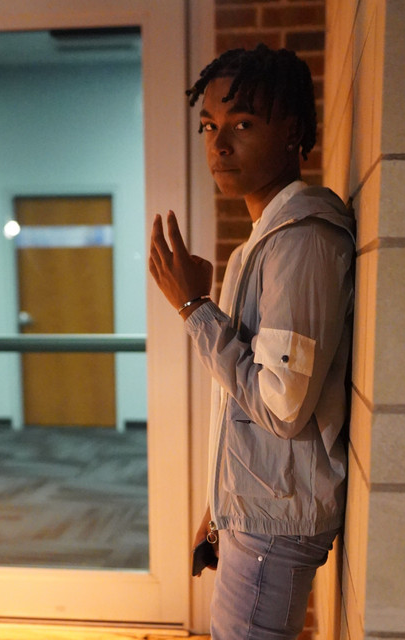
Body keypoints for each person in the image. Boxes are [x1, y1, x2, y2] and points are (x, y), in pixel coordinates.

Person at [149, 44, 355, 640]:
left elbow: (281, 406)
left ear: (291, 131)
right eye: (209, 126)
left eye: (242, 124)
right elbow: (241, 402)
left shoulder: (303, 241)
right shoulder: (258, 245)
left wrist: (194, 308)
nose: (218, 144)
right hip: (256, 513)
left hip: (275, 527)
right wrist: (219, 509)